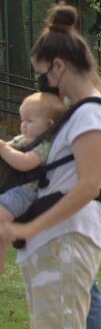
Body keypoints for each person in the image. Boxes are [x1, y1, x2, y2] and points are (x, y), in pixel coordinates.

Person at [0, 3, 101, 329]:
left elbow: (88, 186)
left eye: (47, 74)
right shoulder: (80, 112)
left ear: (60, 65)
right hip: (55, 240)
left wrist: (30, 226)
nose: (49, 83)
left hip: (65, 238)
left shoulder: (89, 114)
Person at [0, 93, 66, 276]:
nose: (23, 125)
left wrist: (4, 148)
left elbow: (25, 162)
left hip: (23, 192)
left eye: (29, 120)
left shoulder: (44, 145)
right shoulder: (22, 139)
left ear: (49, 124)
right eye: (22, 120)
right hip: (10, 188)